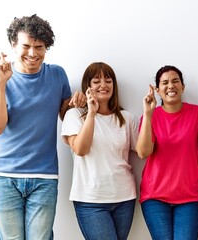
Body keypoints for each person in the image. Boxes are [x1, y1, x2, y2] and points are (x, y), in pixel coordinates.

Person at [0, 14, 85, 239]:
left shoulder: (57, 75)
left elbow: (65, 117)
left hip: (44, 176)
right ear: (13, 45)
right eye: (26, 46)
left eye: (39, 47)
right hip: (3, 175)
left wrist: (78, 103)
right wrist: (1, 83)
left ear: (46, 47)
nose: (32, 53)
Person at [61, 62, 138, 240]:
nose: (103, 85)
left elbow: (142, 151)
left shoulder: (127, 118)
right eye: (96, 81)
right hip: (90, 200)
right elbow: (80, 149)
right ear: (87, 86)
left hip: (124, 198)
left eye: (108, 80)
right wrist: (92, 113)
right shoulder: (74, 115)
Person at [136, 65, 198, 240]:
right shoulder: (150, 117)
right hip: (155, 197)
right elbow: (143, 152)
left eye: (175, 81)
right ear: (158, 90)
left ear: (183, 86)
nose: (171, 86)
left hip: (190, 197)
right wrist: (148, 113)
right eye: (165, 83)